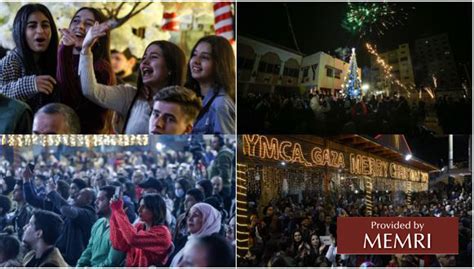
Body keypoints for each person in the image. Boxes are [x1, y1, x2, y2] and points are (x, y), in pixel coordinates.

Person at [79, 22, 186, 134]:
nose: (144, 62)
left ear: (171, 67)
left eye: (153, 57)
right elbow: (90, 91)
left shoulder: (185, 106)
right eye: (144, 57)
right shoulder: (129, 96)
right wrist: (86, 49)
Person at [57, 7, 116, 134]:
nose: (80, 26)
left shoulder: (101, 68)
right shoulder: (58, 54)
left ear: (100, 35)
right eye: (76, 21)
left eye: (88, 23)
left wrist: (64, 51)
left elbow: (70, 106)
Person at [0, 4, 59, 112]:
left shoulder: (53, 58)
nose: (40, 31)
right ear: (20, 31)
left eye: (45, 25)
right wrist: (30, 84)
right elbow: (1, 94)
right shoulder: (11, 61)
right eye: (32, 26)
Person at [185, 35, 235, 134]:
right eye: (194, 55)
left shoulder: (220, 105)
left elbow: (225, 147)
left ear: (220, 64)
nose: (196, 61)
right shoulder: (191, 95)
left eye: (204, 57)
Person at [110, 193, 172, 266]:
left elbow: (133, 239)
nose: (139, 210)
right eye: (139, 206)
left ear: (155, 210)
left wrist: (119, 212)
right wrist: (115, 214)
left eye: (144, 207)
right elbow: (119, 245)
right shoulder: (139, 226)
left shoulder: (162, 233)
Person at [46, 182, 97, 266]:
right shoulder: (78, 209)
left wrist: (53, 193)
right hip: (64, 257)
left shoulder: (88, 213)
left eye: (80, 194)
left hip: (74, 262)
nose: (76, 195)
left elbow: (67, 210)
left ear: (89, 200)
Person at [76, 186, 125, 267]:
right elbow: (89, 250)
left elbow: (112, 263)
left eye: (101, 199)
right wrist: (79, 265)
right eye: (96, 199)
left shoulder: (120, 229)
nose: (95, 202)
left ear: (112, 202)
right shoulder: (99, 223)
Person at [170, 202, 222, 266]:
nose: (190, 218)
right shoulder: (186, 241)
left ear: (208, 220)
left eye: (196, 215)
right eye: (189, 215)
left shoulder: (213, 250)